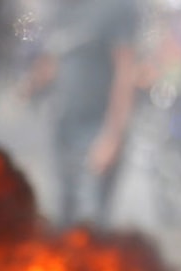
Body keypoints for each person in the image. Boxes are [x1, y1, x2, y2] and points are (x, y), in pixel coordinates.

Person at [23, 0, 143, 225]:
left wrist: (112, 136)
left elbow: (126, 72)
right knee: (63, 214)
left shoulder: (116, 7)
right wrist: (32, 84)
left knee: (91, 219)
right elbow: (57, 60)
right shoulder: (61, 10)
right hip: (62, 127)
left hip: (97, 129)